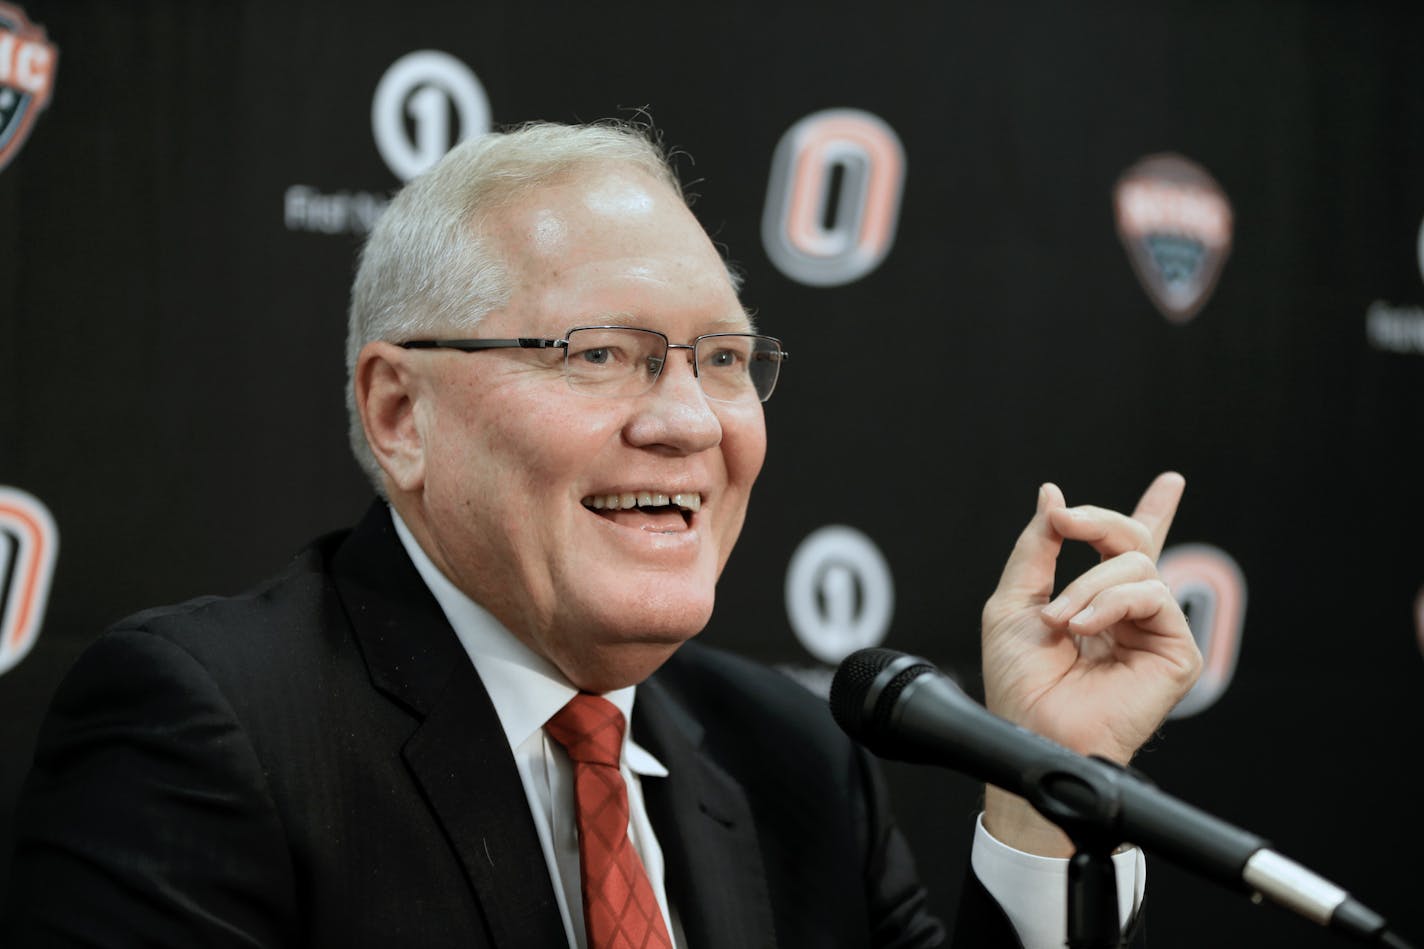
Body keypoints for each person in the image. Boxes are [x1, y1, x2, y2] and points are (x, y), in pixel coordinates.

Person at [1, 120, 1201, 947]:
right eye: (600, 356)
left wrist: (1048, 785)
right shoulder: (214, 729)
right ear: (398, 411)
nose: (686, 421)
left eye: (723, 360)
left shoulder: (791, 759)